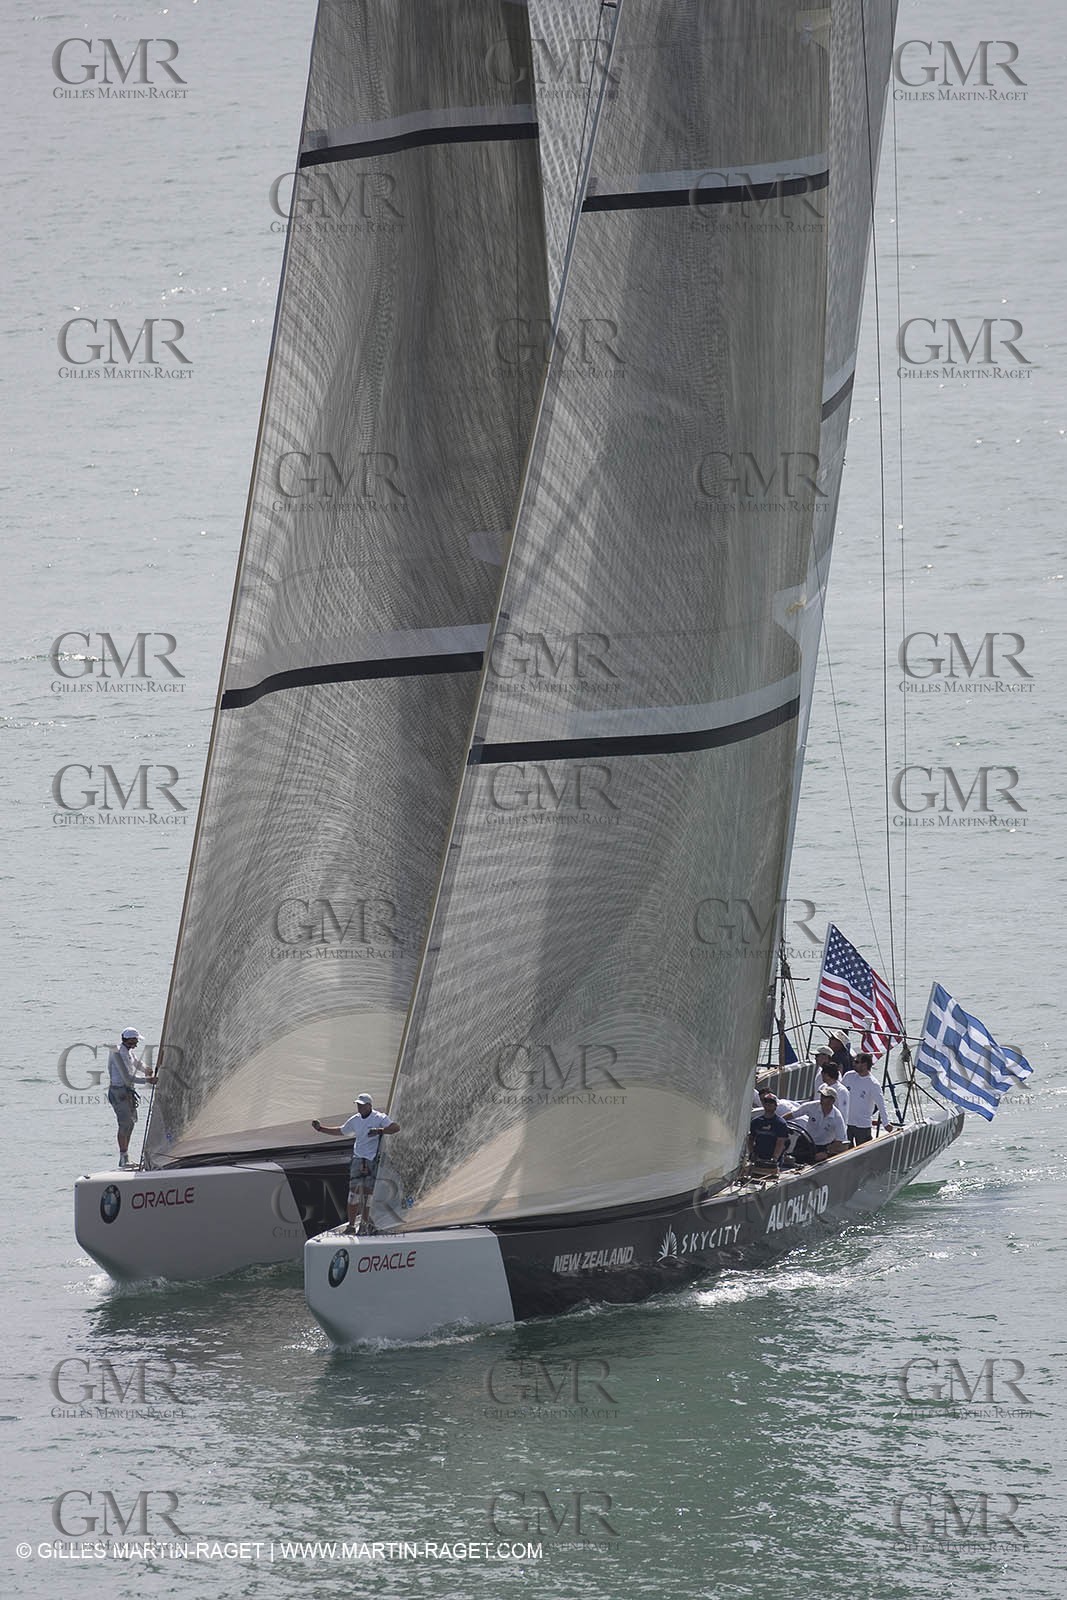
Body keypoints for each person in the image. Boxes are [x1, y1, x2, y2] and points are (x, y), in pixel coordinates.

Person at [312, 1094, 399, 1235]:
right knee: (353, 1194)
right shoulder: (355, 1120)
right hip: (358, 1159)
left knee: (367, 1195)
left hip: (371, 1160)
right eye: (358, 1104)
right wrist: (321, 1129)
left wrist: (379, 1131)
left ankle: (365, 1224)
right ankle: (351, 1226)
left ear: (369, 1106)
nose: (359, 1107)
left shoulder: (379, 1118)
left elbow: (396, 1128)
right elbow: (341, 1130)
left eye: (362, 1105)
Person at [107, 1028, 156, 1169]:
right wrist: (148, 1080)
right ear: (128, 1040)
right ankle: (123, 1159)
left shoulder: (128, 1052)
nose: (136, 1044)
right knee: (124, 1124)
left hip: (128, 1092)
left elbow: (137, 1064)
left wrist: (147, 1069)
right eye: (135, 1041)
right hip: (118, 1092)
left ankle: (125, 1158)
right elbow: (127, 1077)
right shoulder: (117, 1054)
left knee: (131, 1123)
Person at [784, 1086, 848, 1163]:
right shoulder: (811, 1106)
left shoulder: (837, 1118)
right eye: (822, 1096)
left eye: (825, 1097)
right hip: (805, 1141)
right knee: (794, 1162)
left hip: (822, 1147)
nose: (821, 1098)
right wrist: (779, 1122)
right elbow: (793, 1114)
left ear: (832, 1100)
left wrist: (826, 1152)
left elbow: (840, 1141)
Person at [842, 1052, 894, 1145]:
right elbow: (839, 1094)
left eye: (856, 1062)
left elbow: (881, 1105)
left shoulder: (873, 1084)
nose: (853, 1063)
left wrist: (886, 1123)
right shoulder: (848, 1076)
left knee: (863, 1154)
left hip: (862, 1125)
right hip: (846, 1123)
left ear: (865, 1065)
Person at [749, 1093, 791, 1170]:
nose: (768, 1104)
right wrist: (752, 1153)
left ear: (775, 1106)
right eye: (766, 1102)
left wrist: (774, 1159)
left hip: (773, 1161)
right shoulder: (756, 1121)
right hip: (758, 1159)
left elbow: (780, 1143)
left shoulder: (780, 1123)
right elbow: (751, 1139)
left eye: (771, 1102)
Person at [814, 1059, 850, 1125]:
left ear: (827, 1075)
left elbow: (842, 1113)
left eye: (823, 1073)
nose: (821, 1074)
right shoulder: (822, 1087)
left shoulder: (841, 1091)